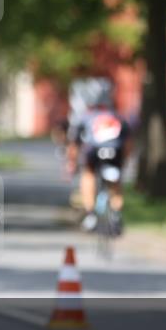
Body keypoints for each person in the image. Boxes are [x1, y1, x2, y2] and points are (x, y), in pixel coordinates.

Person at [65, 82, 129, 233]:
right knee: (115, 181)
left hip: (94, 152)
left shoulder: (85, 117)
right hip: (115, 152)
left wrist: (72, 164)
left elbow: (74, 144)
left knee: (88, 174)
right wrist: (124, 161)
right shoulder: (118, 117)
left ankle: (90, 214)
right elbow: (128, 143)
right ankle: (116, 214)